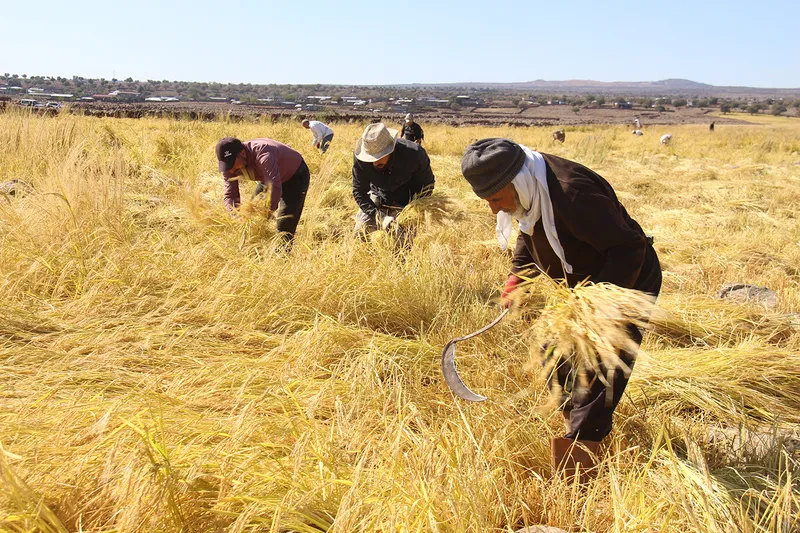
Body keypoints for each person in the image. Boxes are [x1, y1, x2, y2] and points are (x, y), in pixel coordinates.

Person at [460, 138, 662, 479]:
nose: (494, 210)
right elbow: (528, 228)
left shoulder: (573, 195)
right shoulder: (530, 189)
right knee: (553, 354)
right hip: (576, 286)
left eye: (496, 199)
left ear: (517, 182)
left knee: (597, 375)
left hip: (623, 283)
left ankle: (579, 475)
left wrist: (594, 307)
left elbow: (629, 249)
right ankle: (576, 429)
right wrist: (517, 278)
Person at [216, 136, 310, 248]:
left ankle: (281, 258)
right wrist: (235, 216)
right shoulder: (228, 168)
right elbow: (230, 195)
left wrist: (265, 214)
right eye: (226, 165)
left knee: (284, 223)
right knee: (250, 215)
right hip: (268, 178)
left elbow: (274, 187)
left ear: (243, 154)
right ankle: (253, 251)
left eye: (232, 163)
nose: (230, 170)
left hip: (295, 175)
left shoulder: (263, 153)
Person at [352, 122, 435, 234]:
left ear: (391, 149)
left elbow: (427, 186)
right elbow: (359, 191)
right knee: (360, 232)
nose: (373, 163)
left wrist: (411, 211)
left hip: (407, 200)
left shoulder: (415, 155)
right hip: (378, 194)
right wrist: (379, 216)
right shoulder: (360, 158)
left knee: (401, 238)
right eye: (369, 159)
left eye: (378, 157)